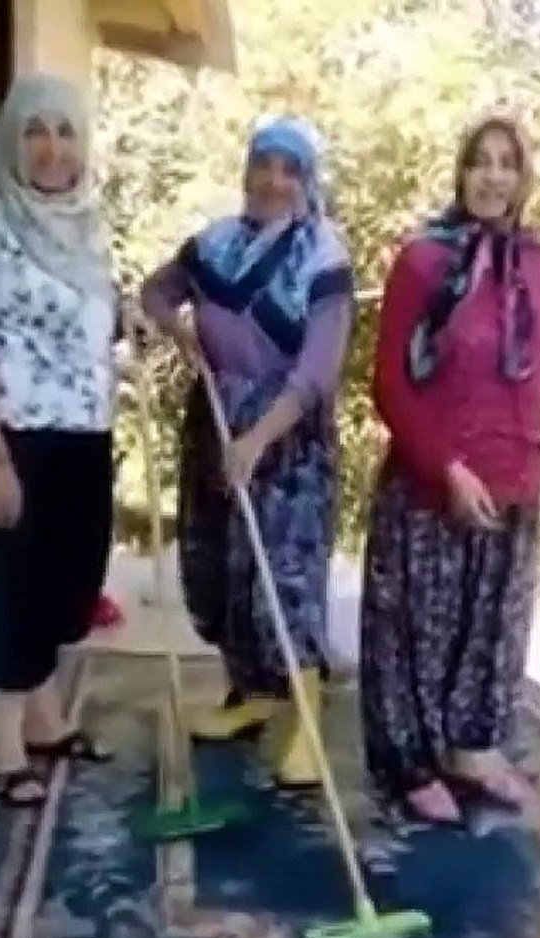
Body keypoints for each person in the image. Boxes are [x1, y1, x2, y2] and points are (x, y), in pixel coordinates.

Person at [359, 114, 540, 825]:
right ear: (461, 173)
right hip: (431, 485)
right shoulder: (421, 262)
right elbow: (389, 383)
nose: (493, 176)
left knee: (493, 627)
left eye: (507, 163)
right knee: (415, 633)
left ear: (523, 179)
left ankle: (474, 750)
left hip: (515, 480)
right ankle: (410, 764)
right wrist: (446, 469)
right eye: (480, 161)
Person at [139, 116, 355, 788]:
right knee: (222, 571)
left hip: (288, 441)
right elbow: (156, 291)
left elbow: (318, 370)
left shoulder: (323, 258)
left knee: (282, 578)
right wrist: (178, 332)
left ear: (307, 181)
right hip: (213, 422)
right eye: (264, 164)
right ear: (247, 170)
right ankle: (252, 694)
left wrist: (257, 440)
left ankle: (307, 721)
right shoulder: (214, 245)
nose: (274, 181)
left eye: (290, 169)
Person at [0, 73, 121, 807]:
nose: (53, 149)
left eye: (65, 131)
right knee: (11, 593)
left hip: (83, 435)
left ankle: (47, 723)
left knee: (64, 585)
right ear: (10, 142)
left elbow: (87, 321)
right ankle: (5, 750)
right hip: (12, 439)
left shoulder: (87, 225)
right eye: (35, 132)